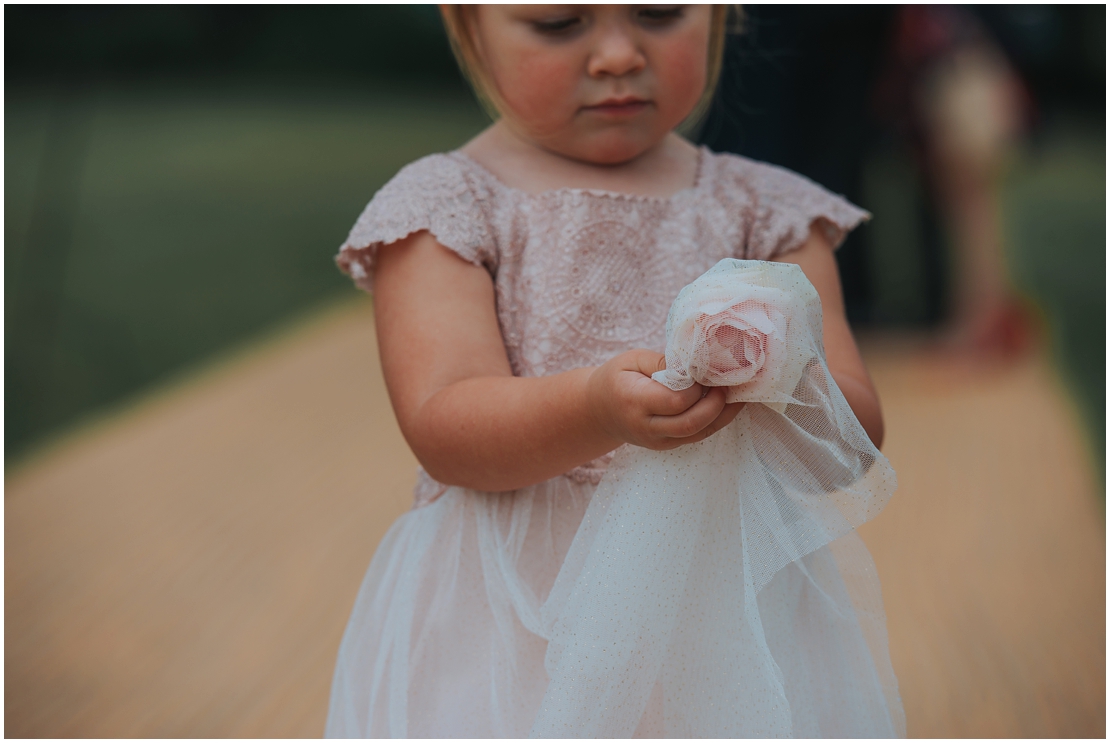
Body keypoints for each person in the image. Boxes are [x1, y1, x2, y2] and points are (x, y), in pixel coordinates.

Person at [326, 5, 901, 737]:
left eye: (660, 12)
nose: (618, 55)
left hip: (721, 608)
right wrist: (593, 408)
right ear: (469, 24)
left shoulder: (772, 212)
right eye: (560, 23)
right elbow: (445, 423)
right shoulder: (445, 209)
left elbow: (853, 441)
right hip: (513, 623)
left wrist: (776, 372)